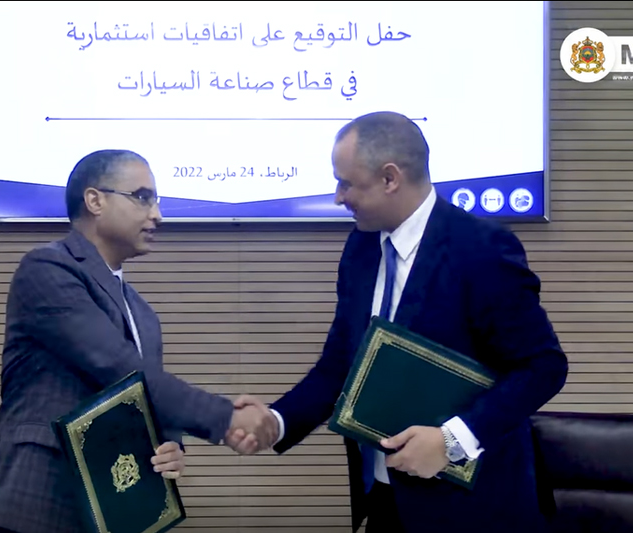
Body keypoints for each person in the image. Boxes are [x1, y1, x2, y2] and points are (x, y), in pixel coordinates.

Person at [231, 111, 569, 532]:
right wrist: (277, 421)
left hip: (473, 509)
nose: (338, 197)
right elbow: (341, 365)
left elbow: (543, 366)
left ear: (390, 178)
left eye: (346, 183)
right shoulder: (361, 248)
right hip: (385, 497)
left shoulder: (480, 250)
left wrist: (452, 440)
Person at [0, 149, 277, 533]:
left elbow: (147, 398)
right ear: (95, 200)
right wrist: (227, 418)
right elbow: (117, 369)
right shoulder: (48, 269)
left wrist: (171, 446)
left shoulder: (143, 314)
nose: (157, 215)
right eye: (142, 197)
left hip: (115, 510)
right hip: (42, 500)